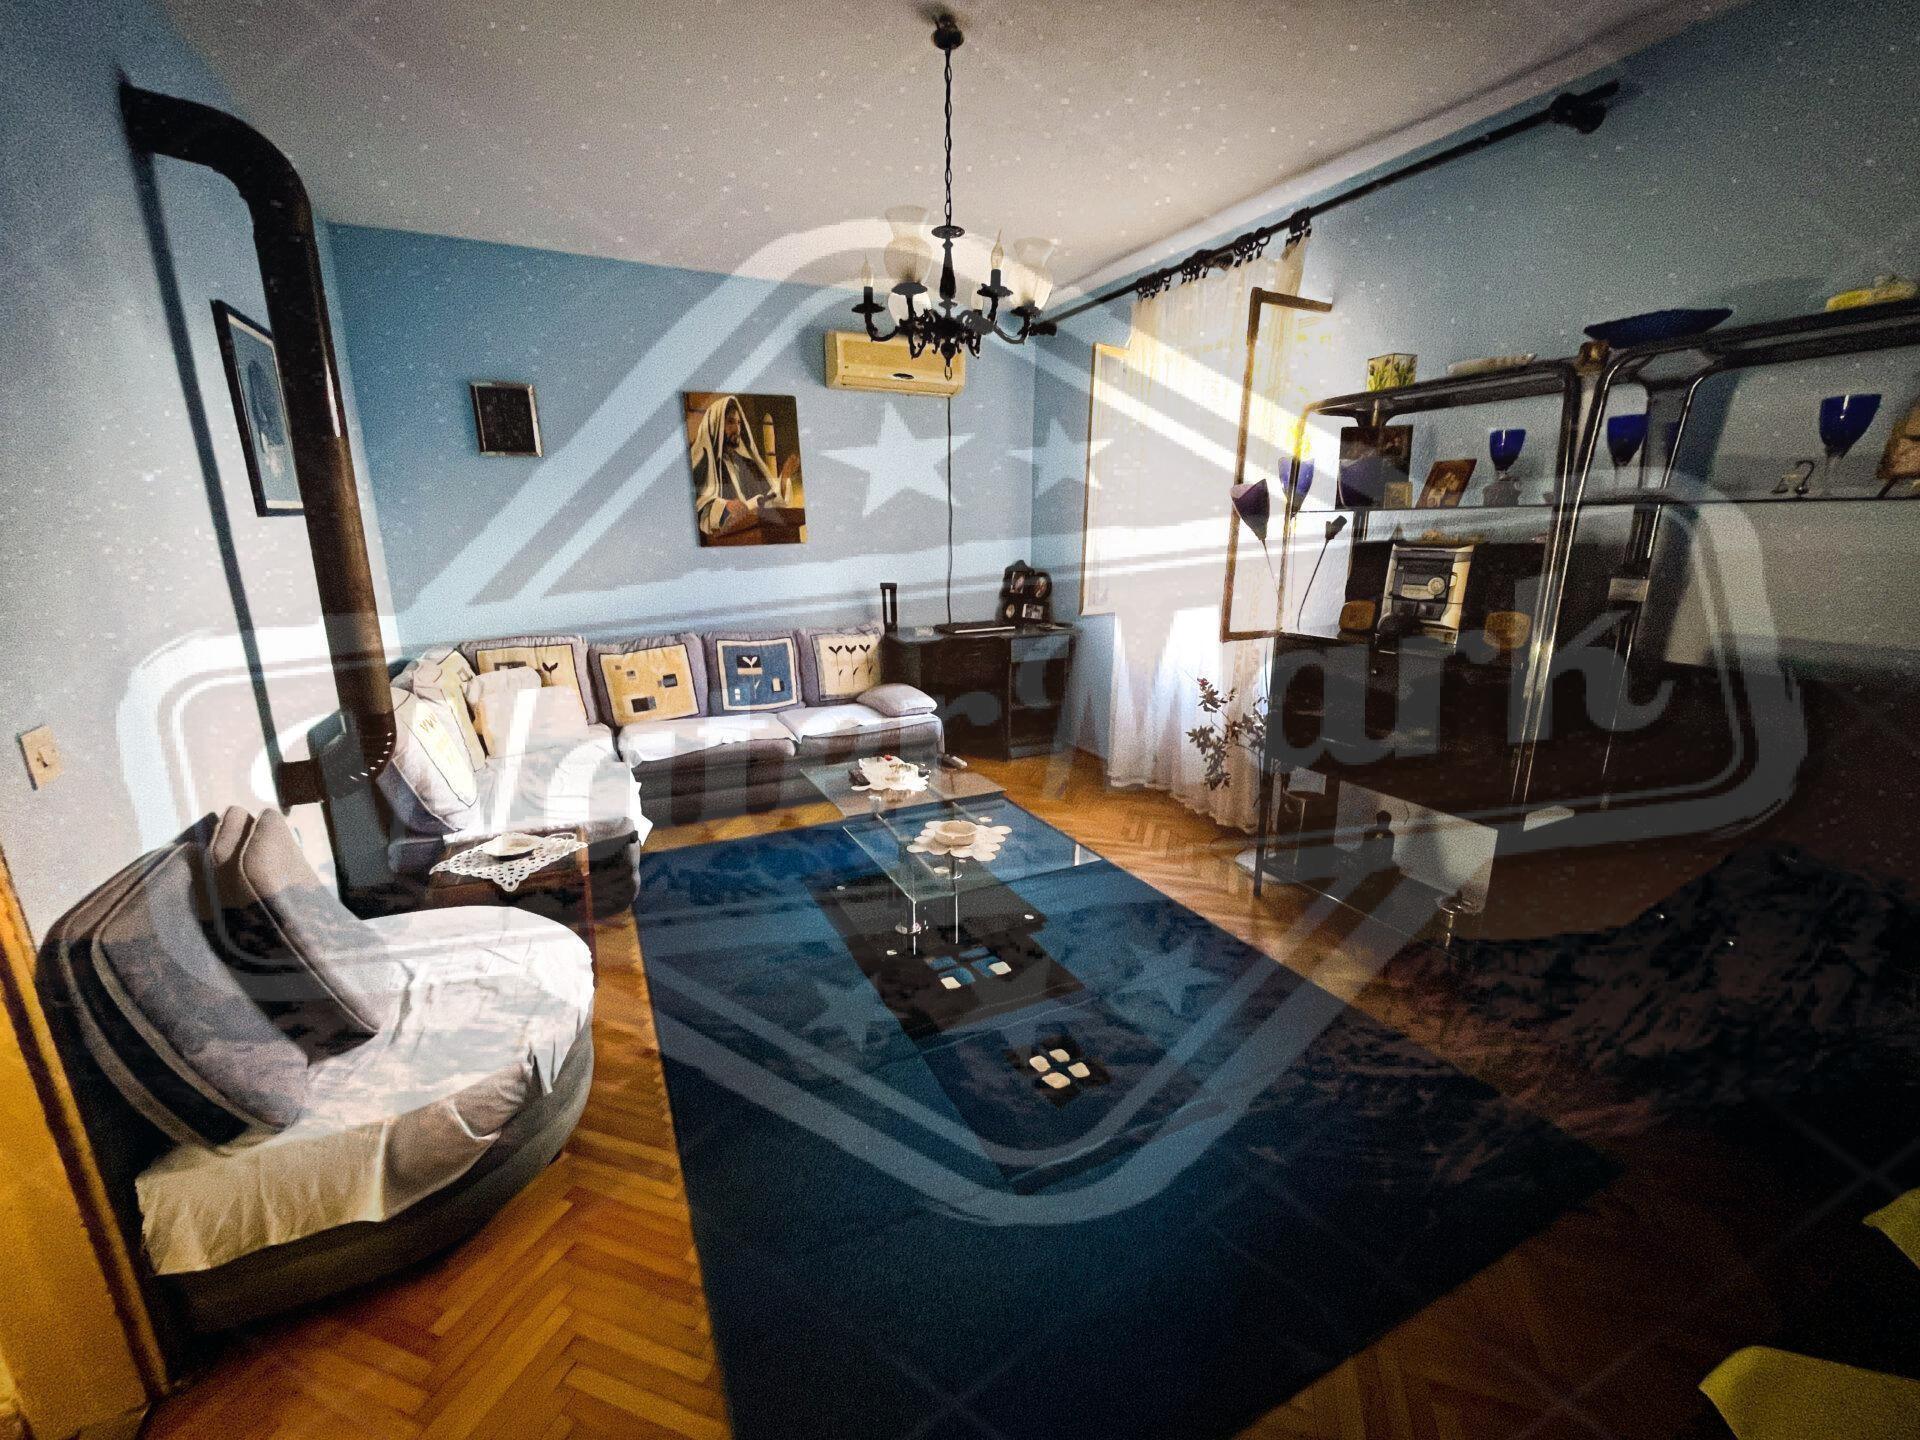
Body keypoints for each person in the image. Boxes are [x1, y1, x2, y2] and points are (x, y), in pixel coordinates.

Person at [690, 395, 799, 538]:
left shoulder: (747, 465)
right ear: (716, 425)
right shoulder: (704, 464)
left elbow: (766, 502)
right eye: (730, 422)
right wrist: (725, 507)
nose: (737, 429)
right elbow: (700, 509)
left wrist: (783, 479)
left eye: (739, 423)